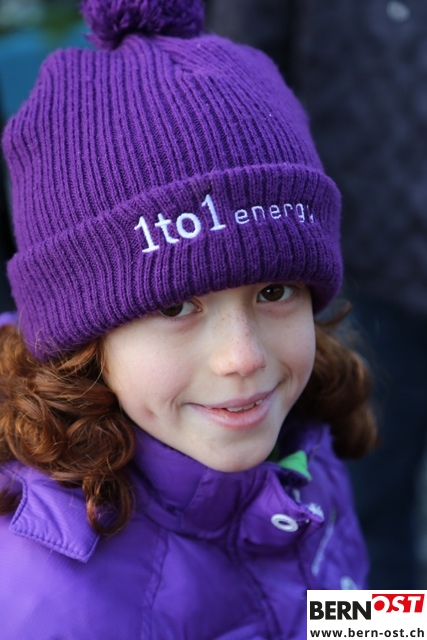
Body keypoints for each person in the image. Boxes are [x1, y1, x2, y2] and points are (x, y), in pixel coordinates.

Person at [0, 0, 376, 637]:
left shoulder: (298, 432)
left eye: (274, 290)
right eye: (175, 306)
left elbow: (336, 603)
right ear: (82, 341)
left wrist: (406, 623)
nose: (244, 358)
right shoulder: (55, 608)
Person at [208, 0, 427, 591]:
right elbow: (236, 81)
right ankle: (381, 627)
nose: (239, 360)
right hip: (362, 268)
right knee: (363, 505)